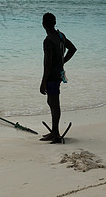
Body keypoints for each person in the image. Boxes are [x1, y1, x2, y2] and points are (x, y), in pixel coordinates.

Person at [39, 13, 77, 143]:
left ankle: (56, 133)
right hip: (59, 74)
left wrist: (43, 81)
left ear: (44, 24)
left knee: (54, 103)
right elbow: (72, 49)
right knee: (52, 102)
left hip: (51, 76)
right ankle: (54, 130)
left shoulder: (48, 40)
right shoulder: (61, 36)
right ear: (54, 23)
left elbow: (47, 63)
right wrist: (62, 62)